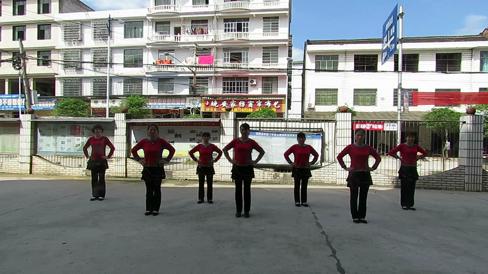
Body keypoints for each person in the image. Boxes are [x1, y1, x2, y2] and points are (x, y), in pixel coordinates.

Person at [337, 129, 381, 224]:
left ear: (364, 136)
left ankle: (362, 216)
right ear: (355, 136)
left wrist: (373, 167)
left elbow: (378, 158)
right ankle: (355, 217)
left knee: (363, 197)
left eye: (362, 135)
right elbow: (339, 157)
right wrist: (345, 167)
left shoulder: (368, 148)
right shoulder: (350, 147)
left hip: (365, 174)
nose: (360, 137)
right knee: (354, 196)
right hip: (354, 174)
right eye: (358, 135)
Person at [131, 124, 175, 216]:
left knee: (157, 189)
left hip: (158, 168)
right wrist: (139, 160)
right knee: (149, 189)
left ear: (157, 132)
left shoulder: (161, 142)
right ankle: (148, 209)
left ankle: (156, 209)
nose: (152, 131)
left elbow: (172, 150)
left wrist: (166, 160)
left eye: (154, 130)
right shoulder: (144, 142)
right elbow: (134, 150)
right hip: (147, 168)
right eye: (150, 130)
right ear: (147, 132)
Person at [223, 123, 265, 218]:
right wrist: (231, 160)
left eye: (246, 129)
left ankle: (246, 211)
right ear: (240, 131)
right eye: (242, 129)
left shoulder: (252, 142)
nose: (244, 131)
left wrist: (255, 161)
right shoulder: (236, 141)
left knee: (247, 191)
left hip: (248, 168)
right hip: (237, 168)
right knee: (238, 191)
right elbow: (225, 150)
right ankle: (238, 211)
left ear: (249, 131)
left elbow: (262, 152)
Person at [388, 132, 427, 210]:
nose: (411, 139)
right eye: (409, 137)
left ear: (414, 139)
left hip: (412, 168)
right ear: (406, 138)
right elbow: (391, 152)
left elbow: (425, 153)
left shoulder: (416, 146)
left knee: (412, 187)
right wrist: (399, 158)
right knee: (404, 186)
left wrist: (419, 157)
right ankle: (404, 204)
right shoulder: (402, 146)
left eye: (412, 137)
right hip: (404, 168)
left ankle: (410, 204)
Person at [284, 132, 319, 207]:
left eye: (302, 138)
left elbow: (316, 155)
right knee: (297, 186)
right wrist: (291, 163)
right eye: (299, 138)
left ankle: (304, 201)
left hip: (306, 169)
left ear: (305, 139)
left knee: (304, 186)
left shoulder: (308, 147)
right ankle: (297, 201)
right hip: (297, 169)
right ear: (297, 139)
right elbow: (286, 154)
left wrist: (311, 162)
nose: (301, 140)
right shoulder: (294, 147)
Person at [189, 132, 223, 204]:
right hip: (201, 167)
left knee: (209, 184)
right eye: (204, 136)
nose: (206, 138)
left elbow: (220, 152)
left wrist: (215, 160)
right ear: (202, 137)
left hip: (209, 167)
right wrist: (196, 160)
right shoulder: (199, 146)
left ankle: (209, 199)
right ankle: (200, 199)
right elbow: (191, 152)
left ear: (209, 138)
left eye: (207, 136)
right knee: (201, 184)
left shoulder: (212, 146)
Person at [83, 124, 115, 201]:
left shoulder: (104, 139)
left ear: (101, 131)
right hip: (93, 161)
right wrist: (87, 156)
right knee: (94, 178)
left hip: (102, 161)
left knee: (101, 178)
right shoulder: (91, 139)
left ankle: (101, 195)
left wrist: (108, 156)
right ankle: (95, 195)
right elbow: (85, 148)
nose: (97, 132)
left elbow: (112, 148)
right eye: (96, 130)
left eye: (99, 131)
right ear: (94, 131)